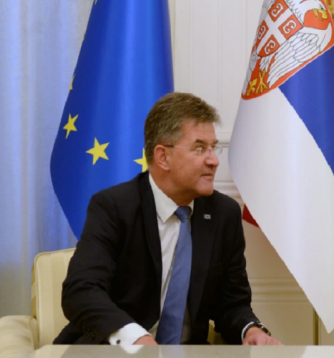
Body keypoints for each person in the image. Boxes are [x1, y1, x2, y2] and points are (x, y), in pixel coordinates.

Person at [54, 92, 281, 346]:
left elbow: (232, 304)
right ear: (163, 157)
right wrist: (135, 338)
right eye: (199, 148)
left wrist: (251, 331)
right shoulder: (114, 207)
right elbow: (81, 290)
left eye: (213, 147)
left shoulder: (223, 214)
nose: (214, 160)